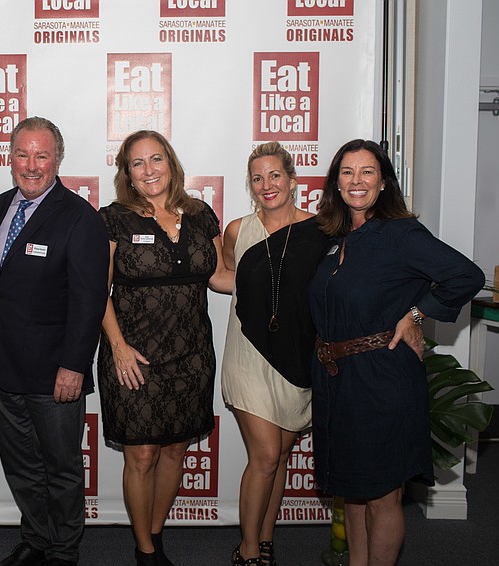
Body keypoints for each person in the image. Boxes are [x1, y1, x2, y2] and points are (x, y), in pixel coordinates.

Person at [309, 139, 484, 566]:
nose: (356, 181)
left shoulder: (401, 233)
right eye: (347, 172)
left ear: (383, 181)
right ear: (335, 182)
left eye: (367, 172)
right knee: (352, 491)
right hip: (338, 382)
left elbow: (467, 275)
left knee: (383, 496)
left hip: (382, 378)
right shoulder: (335, 240)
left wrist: (417, 314)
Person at [97, 130, 230, 566]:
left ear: (171, 164)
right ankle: (146, 550)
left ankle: (156, 531)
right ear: (127, 174)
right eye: (138, 163)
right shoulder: (113, 219)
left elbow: (220, 277)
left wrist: (279, 279)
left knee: (175, 449)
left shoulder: (201, 215)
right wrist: (117, 346)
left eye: (157, 159)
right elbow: (96, 290)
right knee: (142, 454)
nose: (149, 170)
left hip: (192, 355)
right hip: (134, 355)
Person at [0, 117, 109, 566]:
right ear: (9, 157)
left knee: (61, 468)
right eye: (22, 154)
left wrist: (75, 365)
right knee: (21, 467)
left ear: (57, 160)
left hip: (55, 373)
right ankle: (36, 538)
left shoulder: (80, 217)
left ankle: (63, 549)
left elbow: (89, 300)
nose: (31, 166)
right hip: (1, 369)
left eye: (41, 155)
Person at [220, 142, 330, 566]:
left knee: (282, 454)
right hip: (247, 352)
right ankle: (247, 550)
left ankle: (265, 537)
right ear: (250, 185)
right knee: (265, 455)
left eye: (274, 176)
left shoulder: (322, 230)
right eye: (257, 178)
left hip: (298, 353)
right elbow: (226, 274)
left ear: (292, 179)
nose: (267, 185)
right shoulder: (236, 230)